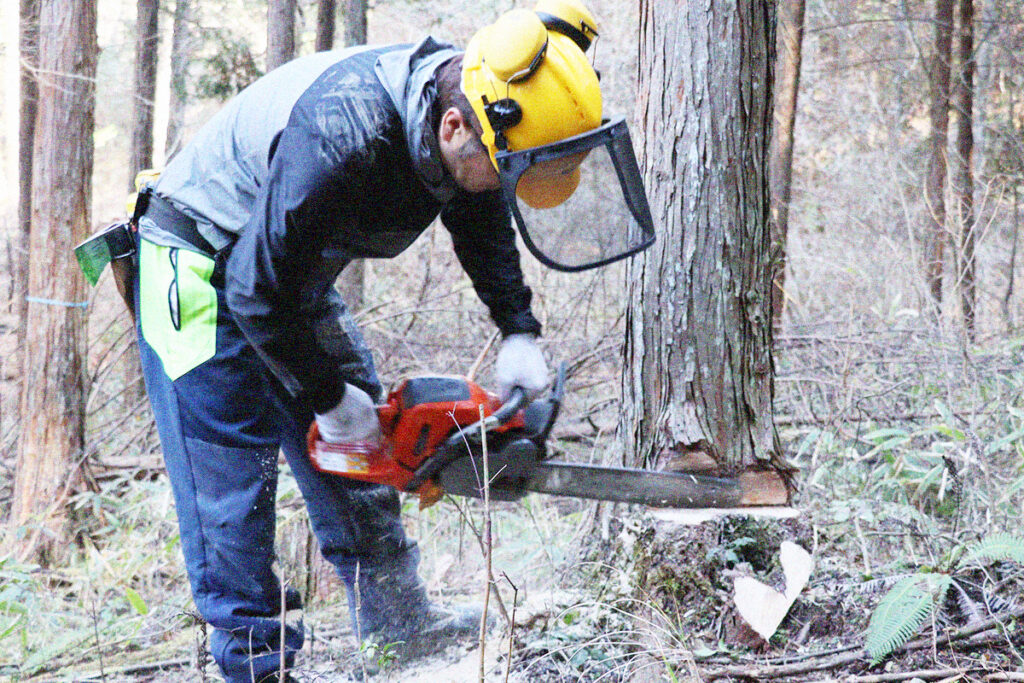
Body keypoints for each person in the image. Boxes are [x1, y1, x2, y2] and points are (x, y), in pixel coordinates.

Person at [112, 1, 615, 680]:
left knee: (367, 448)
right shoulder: (344, 139)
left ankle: (397, 625)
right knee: (230, 489)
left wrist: (518, 327)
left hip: (281, 272)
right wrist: (324, 392)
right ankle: (255, 665)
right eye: (505, 170)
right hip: (197, 265)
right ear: (452, 125)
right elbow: (252, 291)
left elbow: (480, 209)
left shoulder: (471, 114)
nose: (504, 183)